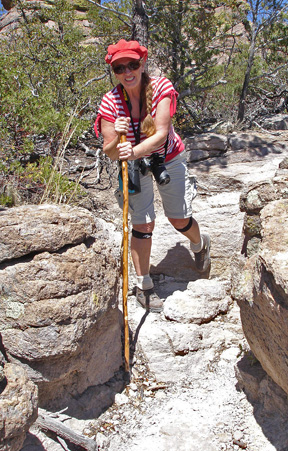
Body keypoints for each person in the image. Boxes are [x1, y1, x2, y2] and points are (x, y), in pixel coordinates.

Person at [94, 39, 211, 313]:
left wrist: (131, 151)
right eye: (119, 67)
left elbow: (160, 134)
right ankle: (143, 285)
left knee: (179, 218)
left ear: (142, 64)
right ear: (114, 71)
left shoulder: (161, 87)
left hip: (166, 157)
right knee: (142, 224)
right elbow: (110, 152)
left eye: (132, 64)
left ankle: (199, 243)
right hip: (133, 164)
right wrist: (116, 140)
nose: (127, 72)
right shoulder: (111, 102)